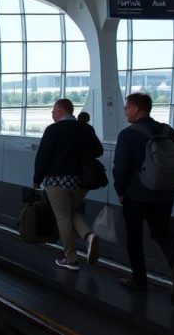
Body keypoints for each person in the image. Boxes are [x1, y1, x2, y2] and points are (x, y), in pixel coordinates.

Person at [114, 92, 174, 305]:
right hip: (165, 195)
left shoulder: (128, 135)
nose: (125, 111)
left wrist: (120, 190)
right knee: (163, 234)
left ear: (137, 109)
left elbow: (120, 168)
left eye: (127, 107)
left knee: (134, 237)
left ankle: (139, 281)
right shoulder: (168, 131)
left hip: (136, 196)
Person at [33, 98, 104, 271]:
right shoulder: (86, 129)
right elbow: (99, 151)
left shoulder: (53, 130)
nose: (52, 113)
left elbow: (43, 157)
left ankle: (71, 259)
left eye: (53, 110)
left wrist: (36, 179)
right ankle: (88, 236)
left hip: (57, 181)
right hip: (81, 182)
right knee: (69, 212)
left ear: (60, 111)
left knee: (63, 217)